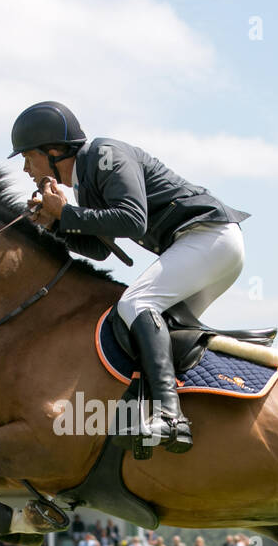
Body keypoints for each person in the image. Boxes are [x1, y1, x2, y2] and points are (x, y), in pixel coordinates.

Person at [13, 101, 249, 455]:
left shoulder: (105, 155)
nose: (26, 168)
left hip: (208, 237)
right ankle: (167, 414)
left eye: (29, 157)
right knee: (157, 326)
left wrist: (68, 212)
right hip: (206, 245)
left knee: (137, 302)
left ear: (55, 150)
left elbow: (132, 220)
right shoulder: (87, 179)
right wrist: (56, 224)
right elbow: (100, 249)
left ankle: (170, 416)